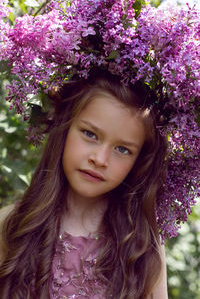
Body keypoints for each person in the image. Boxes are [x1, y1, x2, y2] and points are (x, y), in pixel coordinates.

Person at [0, 71, 168, 298]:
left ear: (138, 162)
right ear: (65, 128)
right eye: (90, 134)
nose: (99, 159)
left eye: (122, 149)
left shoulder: (143, 247)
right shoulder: (10, 226)